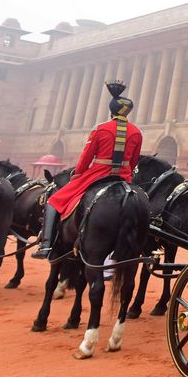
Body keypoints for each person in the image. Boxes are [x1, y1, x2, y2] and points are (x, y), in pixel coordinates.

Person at [36, 82, 143, 259]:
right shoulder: (137, 132)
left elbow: (86, 157)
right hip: (123, 177)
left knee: (54, 200)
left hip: (97, 174)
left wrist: (78, 173)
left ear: (111, 111)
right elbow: (133, 161)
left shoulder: (101, 129)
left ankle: (46, 245)